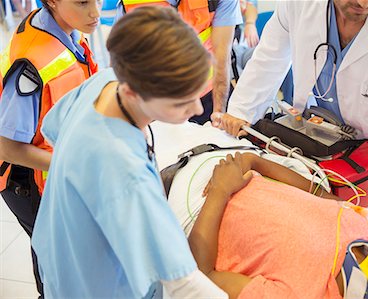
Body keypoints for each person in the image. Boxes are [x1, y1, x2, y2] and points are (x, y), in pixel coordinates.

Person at [31, 6, 228, 298]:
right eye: (182, 103)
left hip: (62, 260)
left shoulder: (105, 82)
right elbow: (184, 283)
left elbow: (57, 130)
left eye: (197, 96)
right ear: (135, 93)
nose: (198, 110)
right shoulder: (125, 172)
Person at [212, 0, 368, 237]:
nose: (363, 3)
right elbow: (269, 59)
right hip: (308, 142)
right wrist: (240, 113)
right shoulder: (301, 5)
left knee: (352, 240)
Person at [188, 152, 368, 298]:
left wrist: (220, 191)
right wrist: (254, 161)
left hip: (194, 199)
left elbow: (201, 275)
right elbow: (321, 196)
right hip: (228, 159)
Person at [0, 0, 99, 295]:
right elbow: (7, 148)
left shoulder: (67, 28)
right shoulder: (32, 64)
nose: (94, 12)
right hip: (29, 184)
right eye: (83, 3)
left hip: (56, 176)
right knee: (56, 271)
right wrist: (70, 164)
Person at [116, 0, 242, 125]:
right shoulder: (130, 4)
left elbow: (221, 58)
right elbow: (123, 67)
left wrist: (218, 112)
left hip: (210, 93)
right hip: (160, 101)